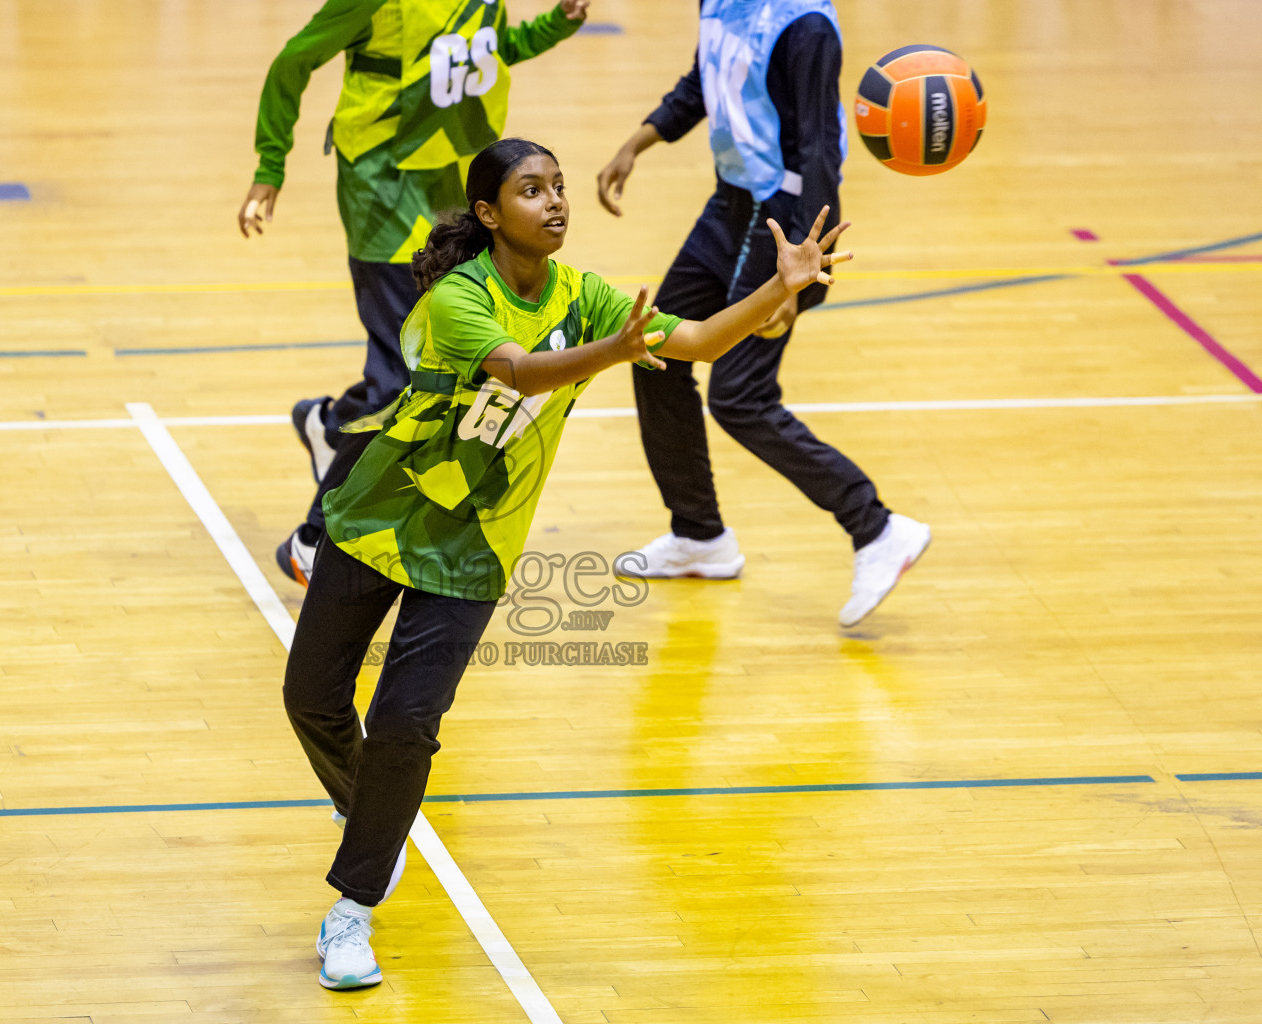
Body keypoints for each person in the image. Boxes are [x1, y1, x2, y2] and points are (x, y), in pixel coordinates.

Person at [284, 138, 850, 989]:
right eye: (529, 190)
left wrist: (780, 288)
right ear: (487, 214)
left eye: (557, 187)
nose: (554, 202)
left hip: (472, 546)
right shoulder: (458, 297)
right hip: (377, 518)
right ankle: (373, 813)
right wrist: (617, 353)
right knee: (310, 699)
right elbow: (518, 373)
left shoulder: (585, 296)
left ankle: (352, 908)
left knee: (405, 726)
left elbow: (692, 341)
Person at [595, 0, 930, 627]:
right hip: (730, 205)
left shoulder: (805, 25)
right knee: (653, 351)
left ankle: (878, 528)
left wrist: (799, 279)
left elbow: (819, 153)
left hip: (786, 220)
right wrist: (637, 142)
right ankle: (700, 536)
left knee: (741, 397)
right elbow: (704, 81)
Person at [239, 0, 592, 587]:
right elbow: (291, 62)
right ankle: (313, 539)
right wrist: (269, 166)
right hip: (383, 195)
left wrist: (557, 22)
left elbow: (489, 53)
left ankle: (330, 425)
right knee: (406, 383)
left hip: (455, 197)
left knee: (421, 370)